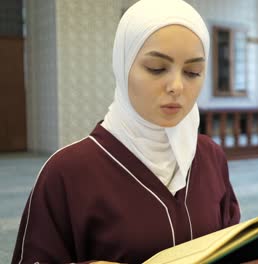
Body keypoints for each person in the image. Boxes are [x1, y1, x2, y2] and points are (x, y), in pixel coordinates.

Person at [11, 0, 241, 263]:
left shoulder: (210, 156)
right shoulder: (66, 172)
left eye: (192, 72)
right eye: (157, 68)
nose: (177, 86)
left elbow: (232, 245)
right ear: (123, 65)